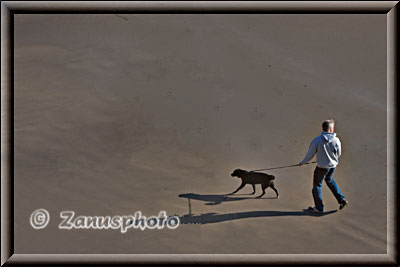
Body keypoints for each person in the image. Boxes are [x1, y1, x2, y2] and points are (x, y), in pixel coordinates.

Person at [299, 119, 348, 213]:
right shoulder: (336, 140)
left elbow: (310, 154)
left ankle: (319, 207)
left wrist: (303, 162)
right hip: (332, 166)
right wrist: (332, 159)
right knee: (329, 180)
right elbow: (339, 154)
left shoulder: (317, 140)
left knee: (317, 185)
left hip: (321, 168)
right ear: (330, 129)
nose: (333, 129)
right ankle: (341, 200)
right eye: (333, 127)